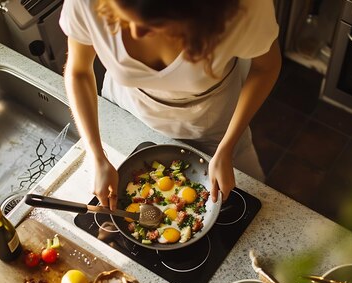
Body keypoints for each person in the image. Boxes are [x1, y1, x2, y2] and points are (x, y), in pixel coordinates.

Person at [59, 0, 281, 210]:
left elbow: (265, 68)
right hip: (128, 111)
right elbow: (78, 71)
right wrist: (95, 154)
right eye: (122, 15)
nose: (136, 33)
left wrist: (227, 146)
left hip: (214, 121)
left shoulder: (243, 8)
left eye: (154, 24)